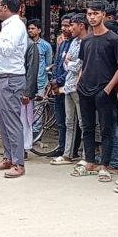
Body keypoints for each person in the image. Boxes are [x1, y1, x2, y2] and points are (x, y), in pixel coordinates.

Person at [71, 0, 118, 183]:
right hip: (85, 88)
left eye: (95, 14)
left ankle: (105, 165)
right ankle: (90, 161)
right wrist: (79, 80)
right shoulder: (86, 39)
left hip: (104, 90)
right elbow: (83, 64)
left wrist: (110, 87)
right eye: (89, 14)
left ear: (103, 15)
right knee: (87, 127)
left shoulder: (114, 39)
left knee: (107, 128)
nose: (92, 17)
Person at [0, 0, 31, 178]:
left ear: (4, 7)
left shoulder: (16, 26)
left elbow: (7, 49)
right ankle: (9, 156)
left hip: (10, 79)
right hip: (3, 78)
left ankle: (18, 162)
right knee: (3, 121)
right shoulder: (10, 26)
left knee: (11, 121)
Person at [51, 13, 87, 165]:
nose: (70, 28)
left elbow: (78, 64)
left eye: (72, 25)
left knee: (82, 123)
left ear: (81, 26)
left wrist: (70, 63)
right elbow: (66, 63)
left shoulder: (86, 42)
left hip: (79, 87)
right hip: (68, 85)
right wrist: (70, 63)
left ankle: (86, 156)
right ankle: (68, 154)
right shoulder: (73, 42)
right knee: (69, 122)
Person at [45, 14, 74, 158]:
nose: (64, 28)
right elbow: (57, 64)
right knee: (61, 120)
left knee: (71, 121)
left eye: (67, 25)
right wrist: (54, 80)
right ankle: (62, 147)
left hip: (68, 86)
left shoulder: (76, 43)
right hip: (57, 86)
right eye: (62, 26)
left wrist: (59, 80)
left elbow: (72, 68)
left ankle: (71, 149)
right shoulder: (62, 43)